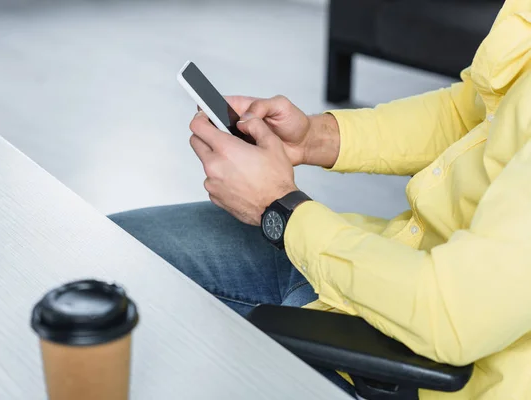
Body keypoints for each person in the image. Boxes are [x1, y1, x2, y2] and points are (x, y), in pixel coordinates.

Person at [110, 1, 531, 398]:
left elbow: (453, 316)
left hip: (411, 366)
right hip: (369, 263)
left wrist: (279, 209)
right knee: (104, 249)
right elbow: (470, 112)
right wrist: (315, 138)